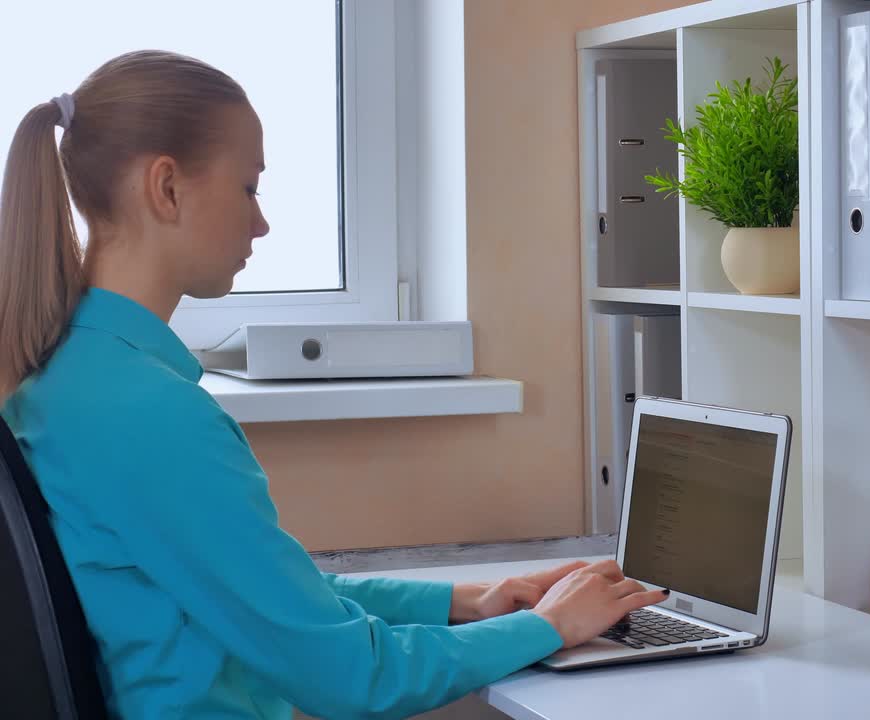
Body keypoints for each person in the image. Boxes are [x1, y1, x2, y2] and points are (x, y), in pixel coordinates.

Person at [0, 50, 665, 719]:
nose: (260, 222)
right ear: (166, 188)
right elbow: (353, 678)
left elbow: (270, 594)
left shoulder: (71, 379)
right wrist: (550, 628)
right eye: (249, 187)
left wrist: (467, 600)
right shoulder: (151, 415)